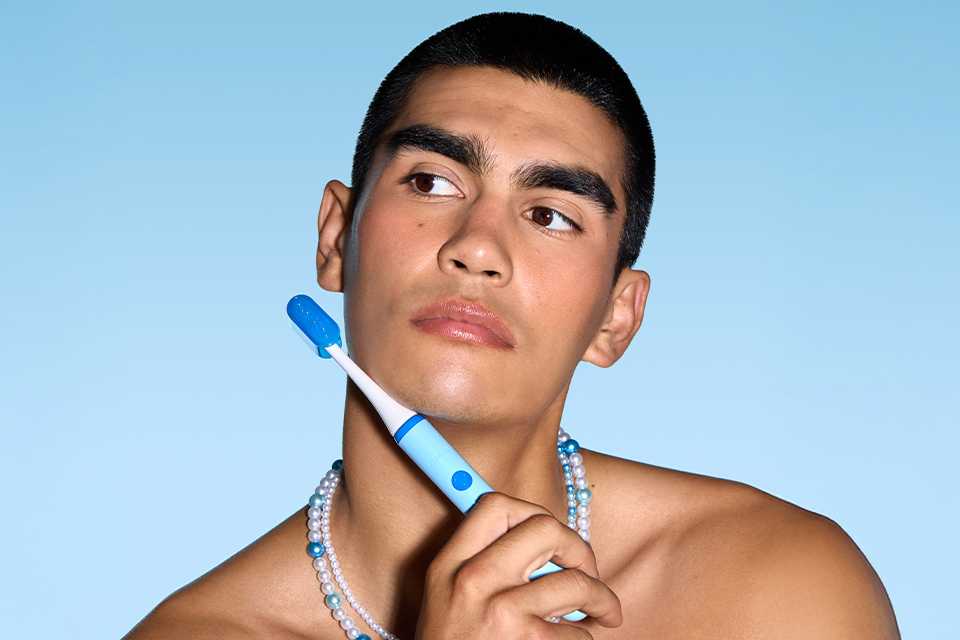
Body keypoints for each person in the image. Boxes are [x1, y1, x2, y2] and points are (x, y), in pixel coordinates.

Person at [124, 12, 900, 639]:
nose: (478, 249)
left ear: (615, 318)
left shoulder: (780, 590)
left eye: (551, 215)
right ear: (336, 237)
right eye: (431, 181)